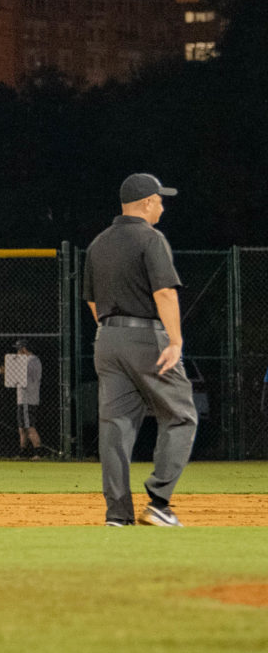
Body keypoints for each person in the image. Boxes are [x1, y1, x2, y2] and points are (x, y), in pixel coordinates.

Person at [85, 173, 196, 526]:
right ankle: (159, 503)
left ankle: (117, 515)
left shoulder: (98, 243)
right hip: (146, 339)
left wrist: (112, 333)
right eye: (159, 199)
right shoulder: (151, 238)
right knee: (181, 415)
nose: (162, 205)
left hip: (106, 339)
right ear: (146, 202)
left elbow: (92, 301)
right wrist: (175, 342)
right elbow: (165, 293)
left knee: (115, 428)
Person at [1, 339, 45, 459]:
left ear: (24, 349)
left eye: (18, 350)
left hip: (28, 399)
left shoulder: (32, 360)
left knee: (29, 426)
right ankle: (23, 451)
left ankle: (38, 452)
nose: (17, 353)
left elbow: (21, 375)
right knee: (22, 428)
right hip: (22, 399)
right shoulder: (27, 361)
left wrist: (7, 371)